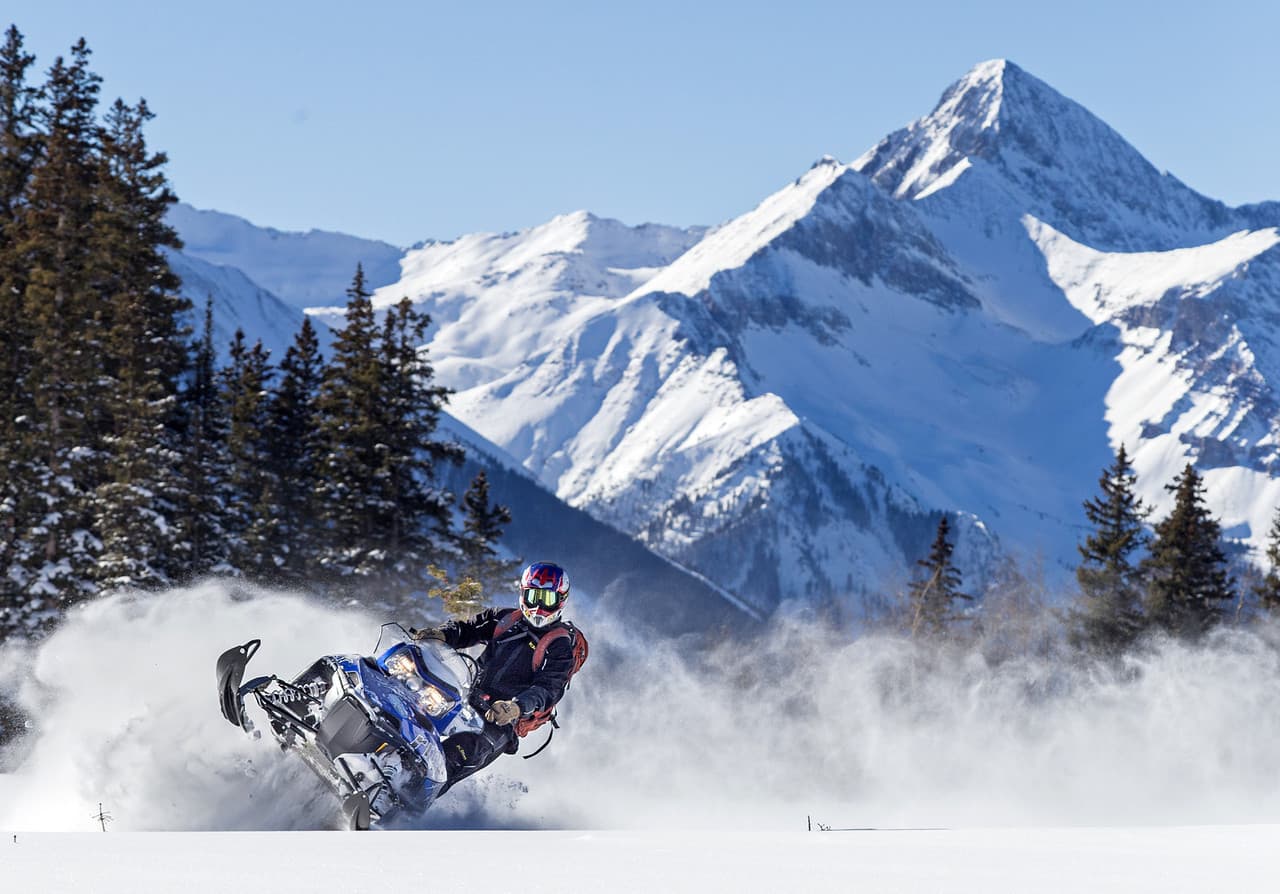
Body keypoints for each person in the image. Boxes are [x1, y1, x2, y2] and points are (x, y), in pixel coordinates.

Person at [410, 561, 578, 794]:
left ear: (560, 600)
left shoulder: (560, 646)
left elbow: (548, 688)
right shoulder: (505, 619)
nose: (538, 606)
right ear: (522, 593)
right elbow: (469, 629)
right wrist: (442, 634)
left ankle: (408, 801)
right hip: (465, 695)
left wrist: (517, 707)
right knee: (412, 707)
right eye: (532, 596)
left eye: (546, 599)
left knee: (456, 755)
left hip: (500, 719)